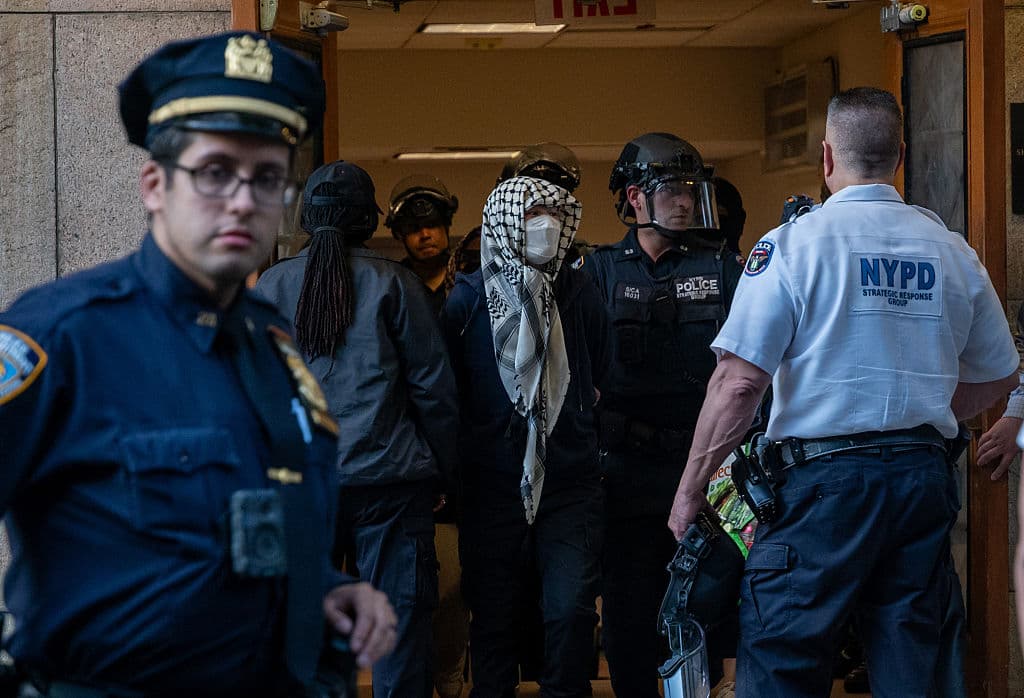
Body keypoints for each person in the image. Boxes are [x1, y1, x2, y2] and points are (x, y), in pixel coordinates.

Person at [0, 32, 396, 697]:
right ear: (155, 184)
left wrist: (328, 588)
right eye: (215, 172)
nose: (243, 200)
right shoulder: (61, 334)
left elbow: (247, 528)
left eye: (268, 177)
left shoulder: (270, 343)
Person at [667, 87, 1019, 697]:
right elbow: (998, 375)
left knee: (787, 657)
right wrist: (926, 409)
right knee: (916, 660)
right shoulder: (953, 252)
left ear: (826, 157)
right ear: (901, 155)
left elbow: (739, 382)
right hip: (920, 482)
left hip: (817, 490)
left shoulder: (793, 246)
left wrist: (692, 490)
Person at [255, 160, 459, 698]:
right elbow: (432, 390)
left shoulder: (271, 286)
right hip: (390, 485)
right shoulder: (397, 283)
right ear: (369, 220)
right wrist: (446, 472)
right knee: (397, 632)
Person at [579, 132, 744, 696]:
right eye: (671, 190)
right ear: (634, 199)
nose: (684, 202)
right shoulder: (598, 272)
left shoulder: (725, 268)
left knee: (706, 612)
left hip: (705, 474)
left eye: (691, 191)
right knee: (628, 618)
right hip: (625, 475)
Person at [442, 176, 611, 698]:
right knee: (493, 615)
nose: (545, 224)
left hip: (569, 480)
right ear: (507, 219)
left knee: (569, 610)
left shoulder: (578, 291)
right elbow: (449, 392)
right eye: (532, 212)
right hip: (492, 484)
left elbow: (600, 369)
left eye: (553, 213)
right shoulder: (469, 300)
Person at [384, 175, 460, 314]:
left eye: (432, 224)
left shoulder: (468, 279)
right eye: (413, 228)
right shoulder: (393, 284)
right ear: (400, 234)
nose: (425, 235)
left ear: (446, 226)